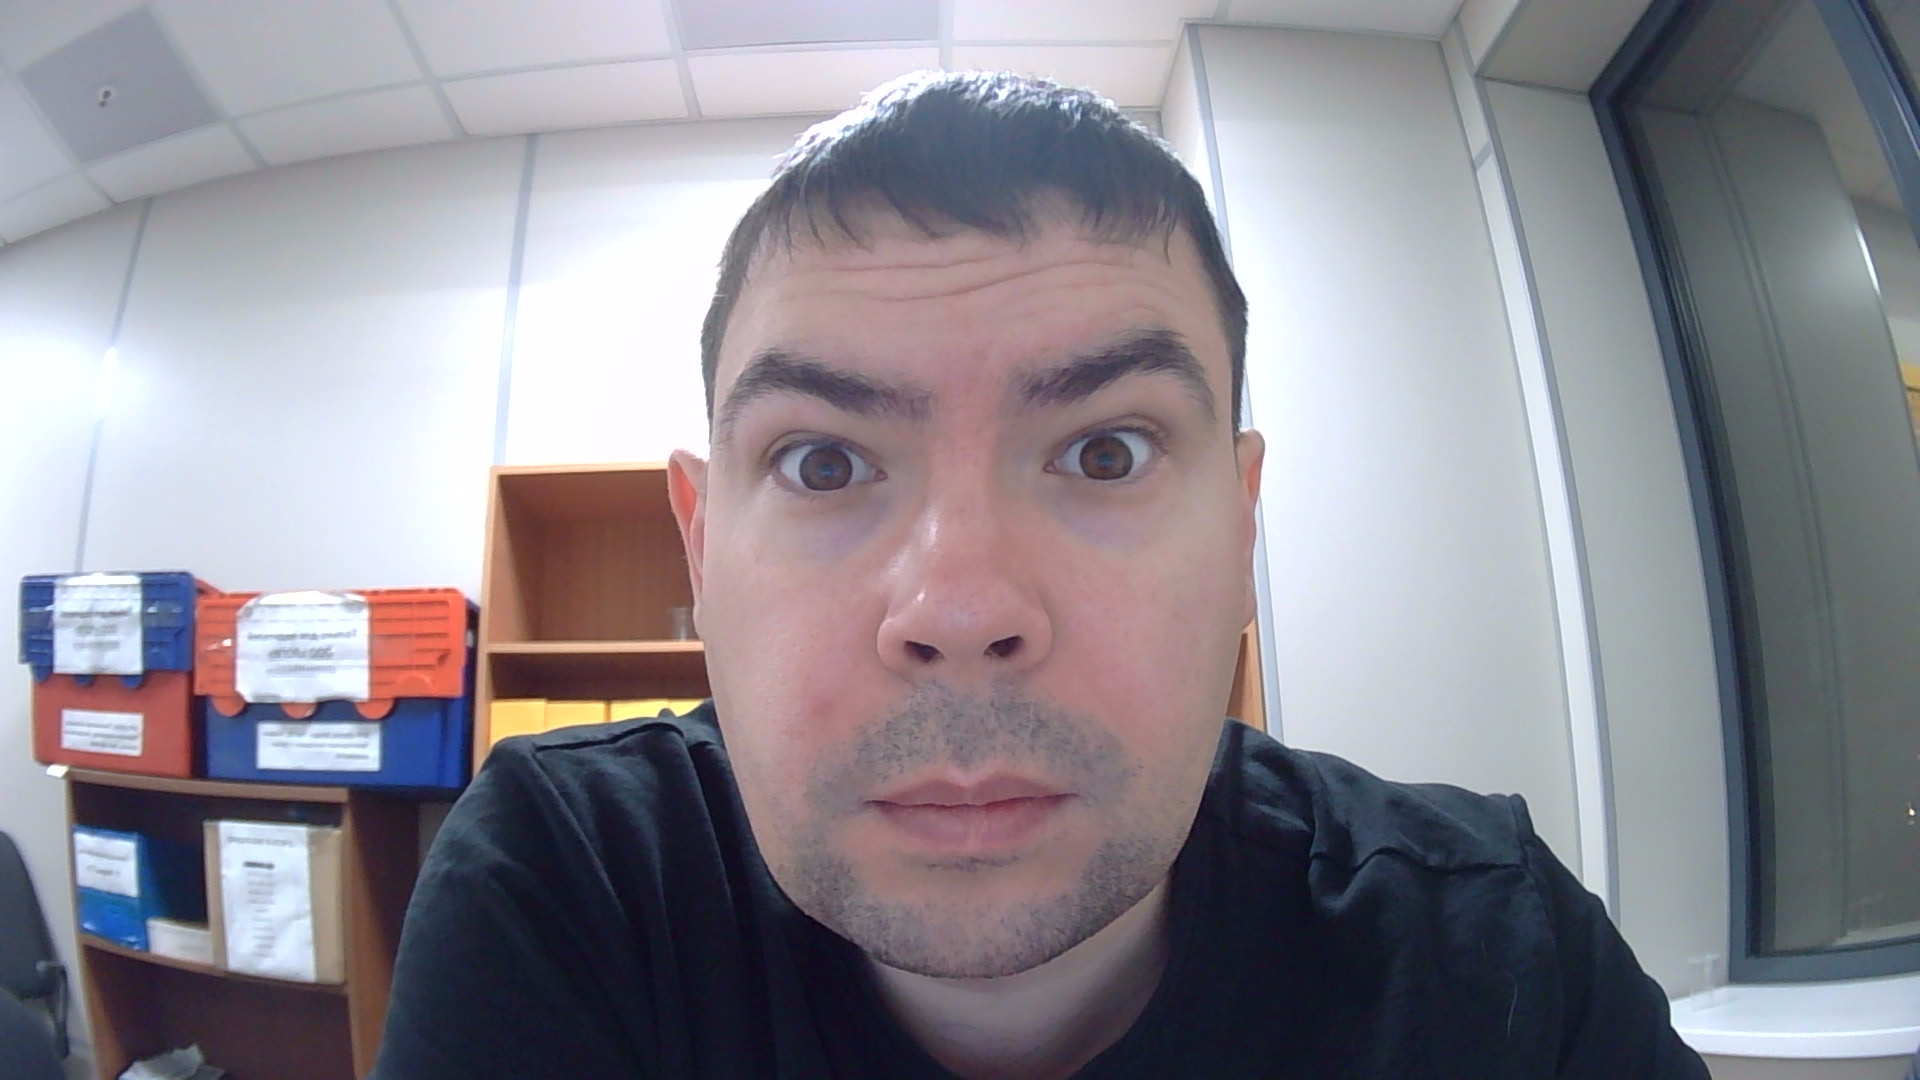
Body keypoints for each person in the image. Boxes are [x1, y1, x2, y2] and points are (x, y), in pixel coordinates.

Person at [371, 71, 1708, 1079]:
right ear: (702, 543)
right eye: (825, 463)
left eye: (1106, 452)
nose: (960, 613)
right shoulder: (567, 886)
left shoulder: (1492, 959)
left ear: (1241, 527)